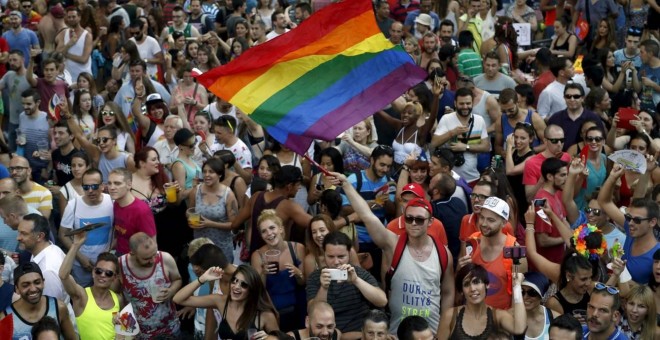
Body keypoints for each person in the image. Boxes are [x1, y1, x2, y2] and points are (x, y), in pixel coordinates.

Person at [339, 170, 454, 333]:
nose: (414, 223)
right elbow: (367, 215)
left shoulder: (443, 253)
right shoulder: (393, 243)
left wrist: (443, 331)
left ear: (430, 222)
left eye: (420, 219)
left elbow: (448, 293)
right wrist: (346, 184)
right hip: (396, 333)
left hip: (431, 334)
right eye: (409, 218)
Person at [306, 231, 387, 338]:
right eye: (331, 256)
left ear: (349, 253)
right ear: (324, 254)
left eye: (341, 256)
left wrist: (356, 281)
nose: (336, 262)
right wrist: (323, 288)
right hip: (328, 334)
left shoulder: (358, 273)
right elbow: (312, 312)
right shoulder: (315, 277)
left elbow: (382, 301)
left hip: (359, 333)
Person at [173, 264, 280, 339]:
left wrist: (269, 338)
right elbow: (178, 299)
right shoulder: (221, 301)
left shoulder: (265, 315)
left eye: (244, 284)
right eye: (234, 281)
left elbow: (280, 337)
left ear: (252, 289)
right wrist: (203, 279)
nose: (236, 287)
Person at [457, 196, 526, 310]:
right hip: (472, 315)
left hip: (501, 320)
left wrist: (511, 321)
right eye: (482, 217)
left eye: (491, 220)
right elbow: (461, 283)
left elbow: (519, 294)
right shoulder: (472, 241)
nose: (483, 223)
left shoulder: (515, 250)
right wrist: (460, 269)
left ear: (504, 222)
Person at [598, 163, 660, 284]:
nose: (630, 223)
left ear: (652, 222)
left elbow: (652, 294)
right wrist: (612, 177)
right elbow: (604, 201)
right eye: (628, 217)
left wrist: (621, 274)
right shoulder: (632, 229)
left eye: (637, 220)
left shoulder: (657, 254)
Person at [58, 231, 122, 340]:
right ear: (93, 272)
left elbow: (124, 330)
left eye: (108, 273)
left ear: (114, 278)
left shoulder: (118, 299)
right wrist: (76, 245)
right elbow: (63, 275)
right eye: (98, 271)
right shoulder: (82, 295)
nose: (102, 275)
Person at [437, 264, 526, 339]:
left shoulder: (498, 316)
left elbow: (519, 329)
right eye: (466, 284)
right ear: (461, 291)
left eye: (476, 282)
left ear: (487, 285)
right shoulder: (450, 316)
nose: (472, 288)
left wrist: (517, 286)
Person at [119, 232, 182, 338]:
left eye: (154, 254)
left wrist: (171, 291)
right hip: (138, 333)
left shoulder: (165, 258)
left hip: (169, 329)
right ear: (132, 253)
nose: (153, 260)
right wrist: (126, 331)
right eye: (146, 258)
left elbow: (177, 280)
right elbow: (116, 296)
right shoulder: (121, 265)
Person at [251, 209, 306, 332]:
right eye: (264, 231)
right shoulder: (258, 255)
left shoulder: (297, 248)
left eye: (272, 228)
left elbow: (303, 283)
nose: (269, 233)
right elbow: (258, 290)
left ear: (281, 229)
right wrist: (263, 274)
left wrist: (298, 273)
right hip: (272, 312)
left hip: (297, 308)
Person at [58, 168, 114, 287]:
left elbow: (119, 231)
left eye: (94, 186)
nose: (90, 191)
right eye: (86, 187)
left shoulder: (112, 202)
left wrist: (108, 254)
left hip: (105, 266)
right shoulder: (74, 204)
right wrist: (81, 258)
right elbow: (63, 234)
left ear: (102, 186)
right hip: (81, 266)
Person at [0, 262, 76, 339]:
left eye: (37, 282)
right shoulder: (5, 318)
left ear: (43, 283)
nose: (33, 289)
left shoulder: (59, 308)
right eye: (25, 285)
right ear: (17, 289)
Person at [431, 87, 490, 184]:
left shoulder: (479, 120)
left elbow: (486, 147)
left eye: (468, 103)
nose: (465, 106)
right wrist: (452, 133)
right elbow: (434, 143)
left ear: (472, 103)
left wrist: (466, 147)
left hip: (472, 177)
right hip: (449, 179)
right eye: (461, 104)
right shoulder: (447, 119)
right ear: (455, 103)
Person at [188, 157, 238, 261]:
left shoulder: (228, 195)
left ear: (219, 174)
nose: (206, 175)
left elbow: (234, 224)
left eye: (211, 172)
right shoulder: (196, 191)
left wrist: (210, 224)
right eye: (205, 171)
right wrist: (190, 219)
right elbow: (190, 211)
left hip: (221, 247)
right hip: (200, 246)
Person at [18, 214, 68, 303]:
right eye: (19, 232)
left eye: (24, 234)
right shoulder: (49, 248)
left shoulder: (47, 270)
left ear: (40, 236)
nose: (18, 238)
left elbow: (51, 306)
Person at [108, 167, 157, 256]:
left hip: (136, 259)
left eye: (117, 183)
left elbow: (152, 243)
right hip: (120, 255)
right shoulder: (116, 204)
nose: (112, 187)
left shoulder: (141, 210)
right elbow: (121, 236)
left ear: (129, 185)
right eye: (109, 183)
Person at [522, 125, 572, 201]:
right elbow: (529, 198)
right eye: (554, 141)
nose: (559, 144)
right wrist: (542, 179)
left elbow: (570, 189)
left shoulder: (566, 157)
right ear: (545, 141)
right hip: (544, 208)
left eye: (562, 140)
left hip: (563, 207)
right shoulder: (531, 163)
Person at [517, 272, 561, 339]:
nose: (525, 297)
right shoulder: (510, 318)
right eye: (521, 291)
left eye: (532, 292)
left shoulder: (555, 319)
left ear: (542, 295)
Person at [55, 7, 93, 82]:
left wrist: (66, 54)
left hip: (83, 76)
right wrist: (69, 44)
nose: (71, 19)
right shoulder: (63, 33)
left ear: (79, 17)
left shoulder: (87, 35)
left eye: (73, 17)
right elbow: (57, 55)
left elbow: (84, 59)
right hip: (67, 76)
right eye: (69, 17)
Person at [634, 40, 660, 111]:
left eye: (642, 52)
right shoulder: (644, 66)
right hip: (642, 108)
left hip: (656, 111)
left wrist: (652, 84)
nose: (639, 55)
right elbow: (637, 89)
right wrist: (634, 72)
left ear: (650, 54)